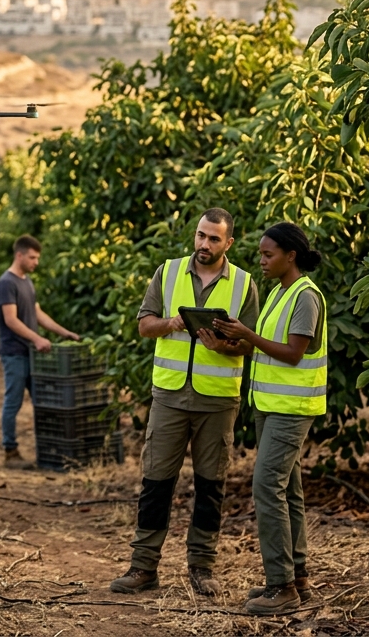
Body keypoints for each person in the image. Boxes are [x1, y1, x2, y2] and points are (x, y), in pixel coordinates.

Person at [111, 208, 260, 598]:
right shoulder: (169, 271)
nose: (204, 244)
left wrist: (224, 345)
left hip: (218, 401)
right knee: (156, 481)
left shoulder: (244, 284)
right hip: (170, 396)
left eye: (213, 239)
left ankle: (202, 567)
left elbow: (250, 343)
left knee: (211, 485)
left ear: (229, 243)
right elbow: (144, 325)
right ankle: (143, 567)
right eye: (200, 236)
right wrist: (175, 323)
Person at [212, 222, 326, 615]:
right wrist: (230, 341)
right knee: (288, 490)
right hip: (271, 406)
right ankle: (298, 579)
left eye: (267, 254)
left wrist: (249, 333)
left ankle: (281, 587)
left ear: (290, 256)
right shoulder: (281, 293)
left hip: (292, 409)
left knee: (266, 487)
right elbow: (265, 349)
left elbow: (294, 353)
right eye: (260, 254)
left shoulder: (305, 296)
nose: (260, 260)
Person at [0, 234, 79, 468]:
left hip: (30, 353)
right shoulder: (7, 283)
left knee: (42, 401)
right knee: (13, 402)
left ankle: (48, 449)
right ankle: (10, 452)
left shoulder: (26, 282)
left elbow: (37, 313)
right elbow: (11, 320)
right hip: (14, 353)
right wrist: (37, 339)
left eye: (37, 258)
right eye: (32, 257)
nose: (36, 262)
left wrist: (65, 333)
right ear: (19, 255)